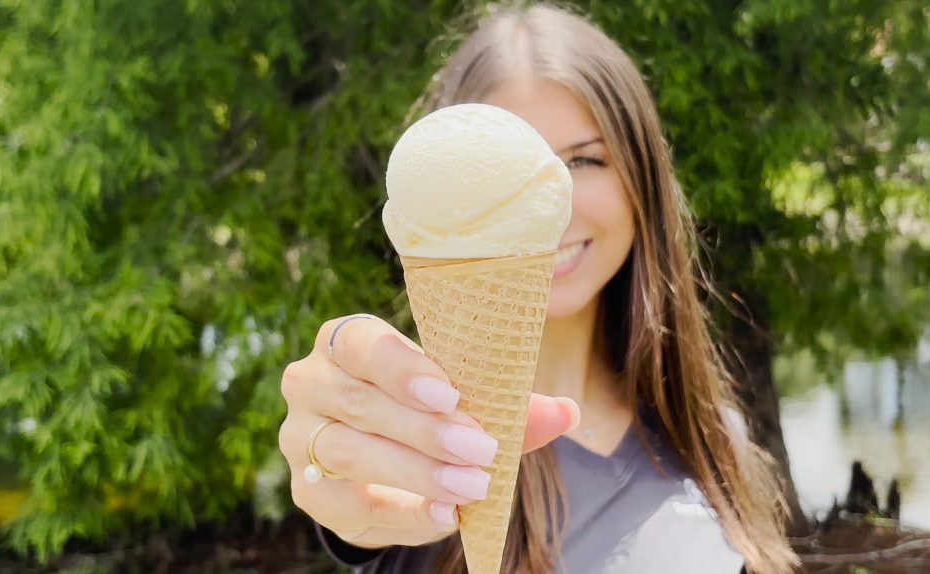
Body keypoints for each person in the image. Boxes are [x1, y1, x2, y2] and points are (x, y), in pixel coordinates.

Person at [278, 4, 799, 573]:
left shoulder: (711, 435)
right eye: (508, 169)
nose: (552, 204)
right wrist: (335, 468)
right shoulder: (422, 451)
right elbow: (366, 507)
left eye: (585, 160)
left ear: (640, 180)